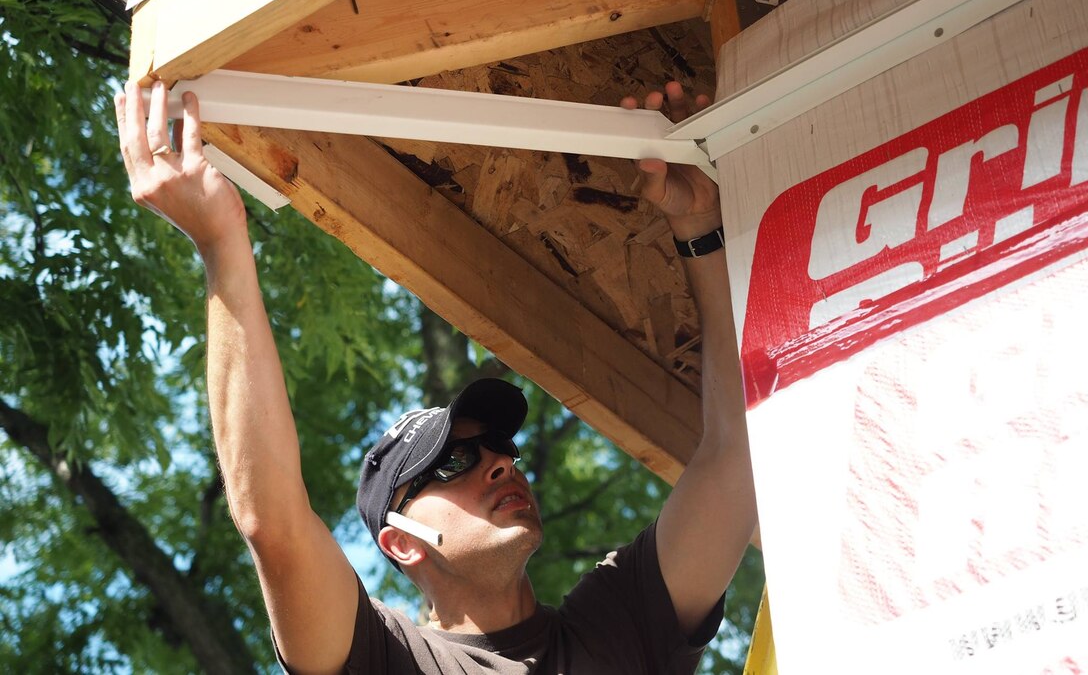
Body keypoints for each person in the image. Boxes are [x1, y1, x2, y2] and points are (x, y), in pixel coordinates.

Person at [115, 77, 757, 674]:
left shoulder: (619, 624)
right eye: (454, 463)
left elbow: (737, 451)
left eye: (500, 449)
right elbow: (272, 523)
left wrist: (701, 226)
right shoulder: (388, 659)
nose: (502, 465)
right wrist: (222, 244)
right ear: (400, 544)